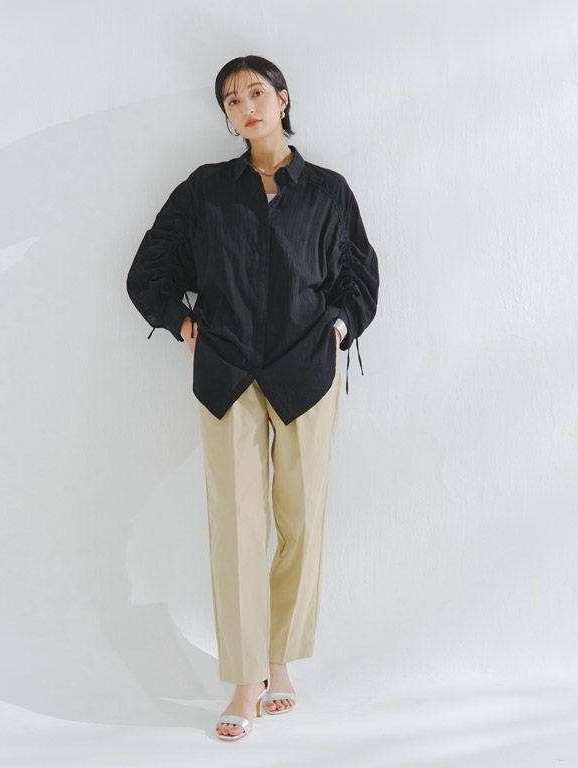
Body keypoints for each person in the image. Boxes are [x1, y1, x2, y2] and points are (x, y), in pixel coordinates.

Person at [126, 55, 379, 741]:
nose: (246, 107)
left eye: (257, 92)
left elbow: (360, 276)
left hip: (307, 372)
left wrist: (337, 328)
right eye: (232, 100)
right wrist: (182, 324)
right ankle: (245, 680)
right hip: (229, 372)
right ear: (227, 117)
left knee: (302, 519)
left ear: (283, 99)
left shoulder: (327, 192)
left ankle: (279, 660)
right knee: (236, 525)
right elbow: (148, 268)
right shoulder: (205, 191)